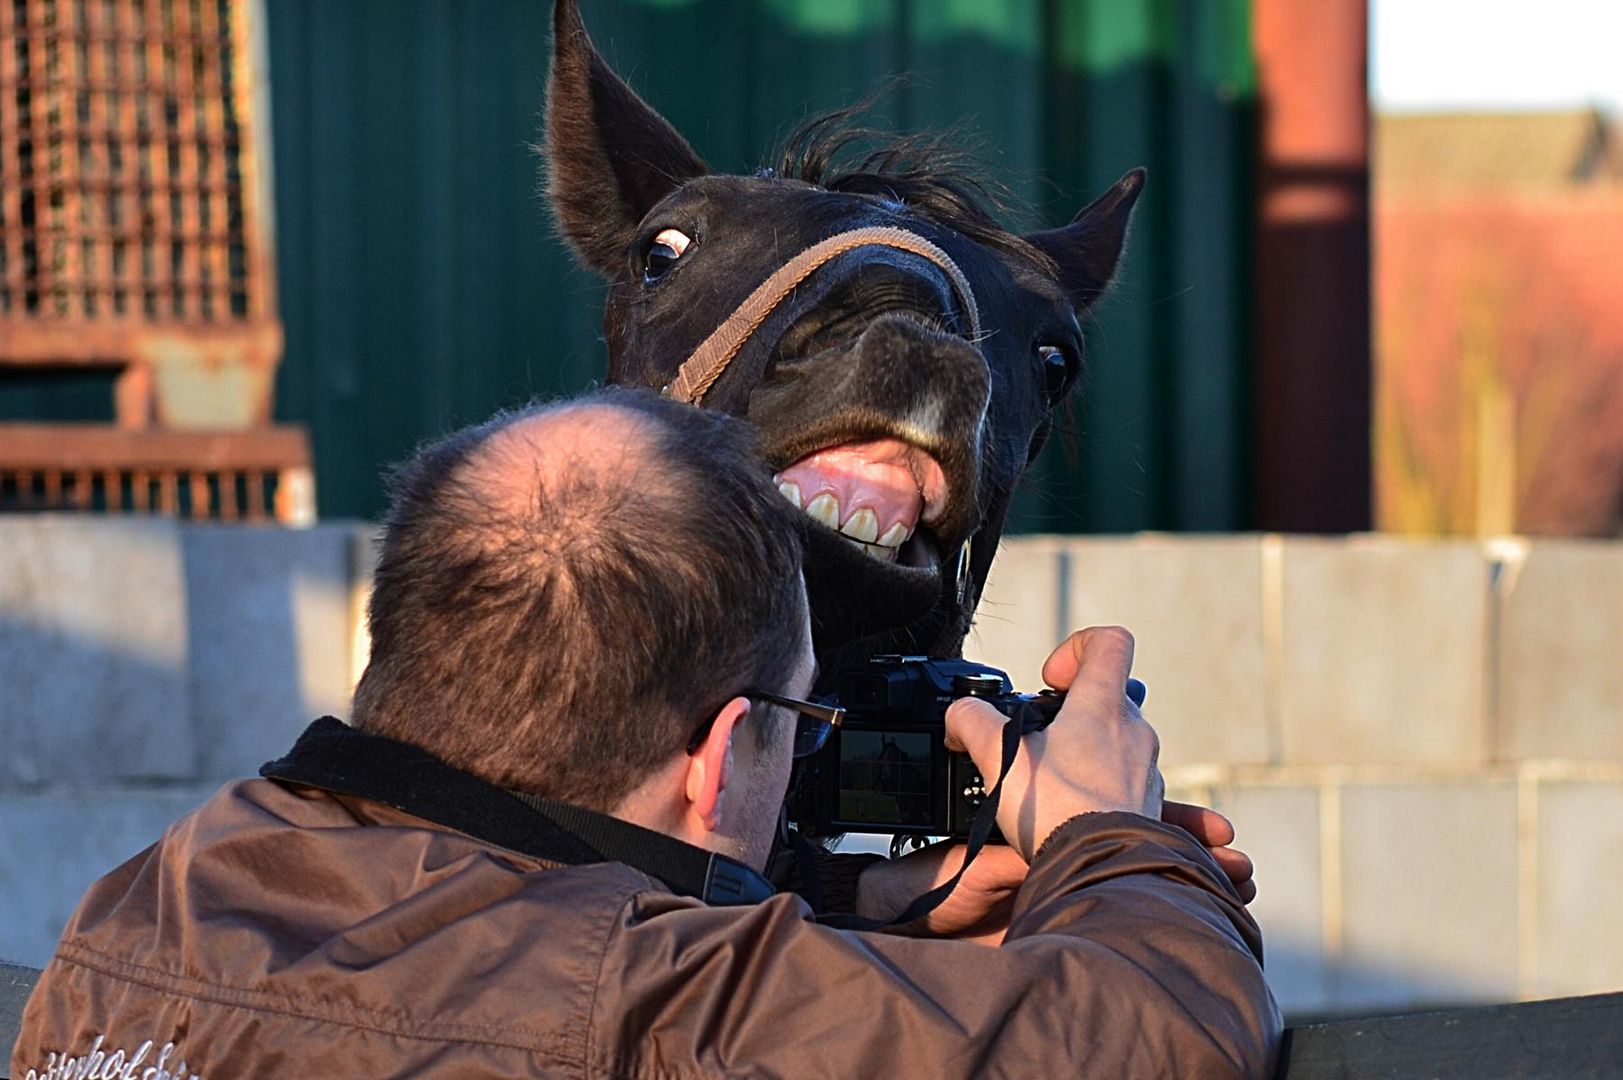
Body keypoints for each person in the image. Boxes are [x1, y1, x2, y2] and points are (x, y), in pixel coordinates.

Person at [13, 388, 1280, 1079]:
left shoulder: (152, 901)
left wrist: (854, 915)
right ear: (725, 752)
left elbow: (469, 932)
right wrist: (1108, 835)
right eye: (795, 723)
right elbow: (1159, 1042)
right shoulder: (640, 1004)